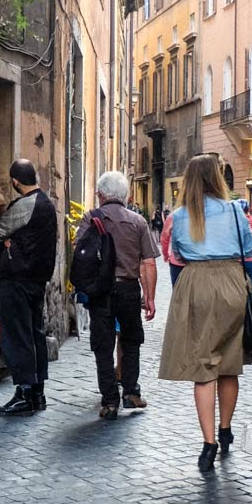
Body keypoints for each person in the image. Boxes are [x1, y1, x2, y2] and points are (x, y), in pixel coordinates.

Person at [158, 155, 252, 472]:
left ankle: (208, 443)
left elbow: (178, 253)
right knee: (230, 364)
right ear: (218, 178)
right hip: (231, 283)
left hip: (197, 284)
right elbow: (250, 248)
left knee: (204, 367)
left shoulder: (181, 215)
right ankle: (226, 430)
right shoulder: (235, 211)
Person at [0, 159, 57, 416]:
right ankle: (37, 393)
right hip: (37, 281)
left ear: (15, 181)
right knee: (34, 335)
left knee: (17, 336)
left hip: (17, 280)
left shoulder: (24, 205)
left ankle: (24, 393)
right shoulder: (47, 204)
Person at [76, 171, 159, 420]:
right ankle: (131, 392)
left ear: (101, 195)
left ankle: (110, 401)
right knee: (131, 341)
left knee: (103, 346)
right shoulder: (138, 221)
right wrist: (150, 298)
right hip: (128, 288)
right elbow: (149, 263)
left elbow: (80, 252)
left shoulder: (91, 218)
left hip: (100, 291)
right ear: (127, 196)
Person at [160, 210, 186, 285]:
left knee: (177, 292)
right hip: (196, 263)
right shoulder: (203, 216)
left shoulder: (173, 216)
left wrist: (166, 256)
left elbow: (164, 239)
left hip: (177, 262)